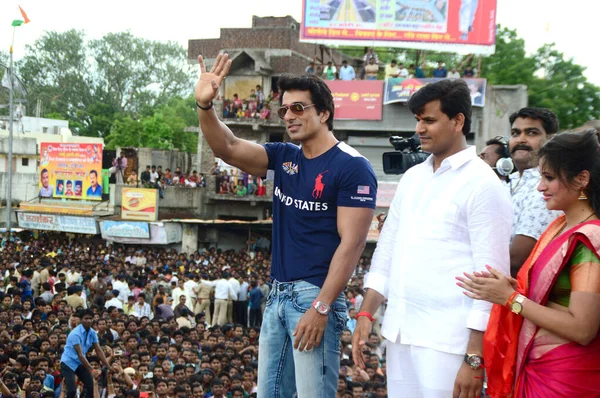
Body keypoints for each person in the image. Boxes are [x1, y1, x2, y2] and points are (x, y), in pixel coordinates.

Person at [195, 53, 377, 397]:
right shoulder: (283, 156)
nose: (289, 117)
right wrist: (206, 107)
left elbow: (351, 244)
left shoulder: (353, 167)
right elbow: (228, 147)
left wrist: (321, 306)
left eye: (299, 108)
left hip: (314, 297)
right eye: (284, 110)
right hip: (278, 294)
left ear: (324, 113)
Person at [352, 79, 512, 397]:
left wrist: (474, 356)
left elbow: (492, 279)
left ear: (458, 121)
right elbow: (387, 249)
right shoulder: (412, 178)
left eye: (429, 120)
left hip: (449, 341)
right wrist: (366, 313)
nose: (419, 129)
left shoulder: (484, 183)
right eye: (417, 120)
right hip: (400, 331)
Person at [458, 130, 600, 397]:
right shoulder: (559, 228)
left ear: (582, 179)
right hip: (539, 369)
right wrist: (514, 290)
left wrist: (511, 299)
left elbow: (582, 328)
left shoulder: (589, 238)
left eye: (549, 178)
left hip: (566, 378)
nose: (540, 187)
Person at [508, 107, 562, 277]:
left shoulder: (546, 187)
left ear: (550, 139)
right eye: (515, 133)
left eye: (531, 133)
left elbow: (516, 260)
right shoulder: (508, 181)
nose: (521, 140)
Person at [60, 309, 111, 398]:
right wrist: (92, 370)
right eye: (85, 318)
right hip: (68, 362)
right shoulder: (75, 333)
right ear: (81, 319)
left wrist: (108, 366)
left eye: (90, 318)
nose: (88, 321)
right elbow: (80, 355)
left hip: (80, 363)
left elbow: (98, 350)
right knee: (71, 390)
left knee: (91, 386)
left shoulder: (92, 333)